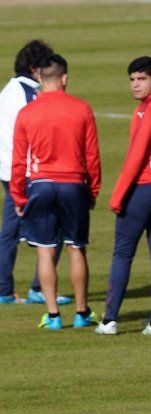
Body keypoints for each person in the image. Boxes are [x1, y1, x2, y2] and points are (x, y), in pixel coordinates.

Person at [10, 54, 101, 330]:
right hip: (73, 184)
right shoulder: (81, 109)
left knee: (45, 252)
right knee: (76, 249)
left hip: (40, 185)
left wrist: (18, 195)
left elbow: (19, 160)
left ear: (40, 78)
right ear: (64, 78)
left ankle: (52, 316)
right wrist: (93, 189)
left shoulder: (27, 113)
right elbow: (92, 156)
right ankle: (81, 312)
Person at [95, 57, 151, 336]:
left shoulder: (148, 110)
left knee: (122, 253)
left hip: (146, 187)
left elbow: (136, 156)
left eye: (141, 78)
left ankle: (109, 320)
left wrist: (118, 196)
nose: (135, 85)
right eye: (132, 79)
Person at [0, 40, 70, 306]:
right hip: (27, 171)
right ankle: (39, 287)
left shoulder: (9, 89)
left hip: (9, 168)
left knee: (10, 230)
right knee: (55, 227)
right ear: (34, 69)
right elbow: (34, 131)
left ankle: (5, 288)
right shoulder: (28, 93)